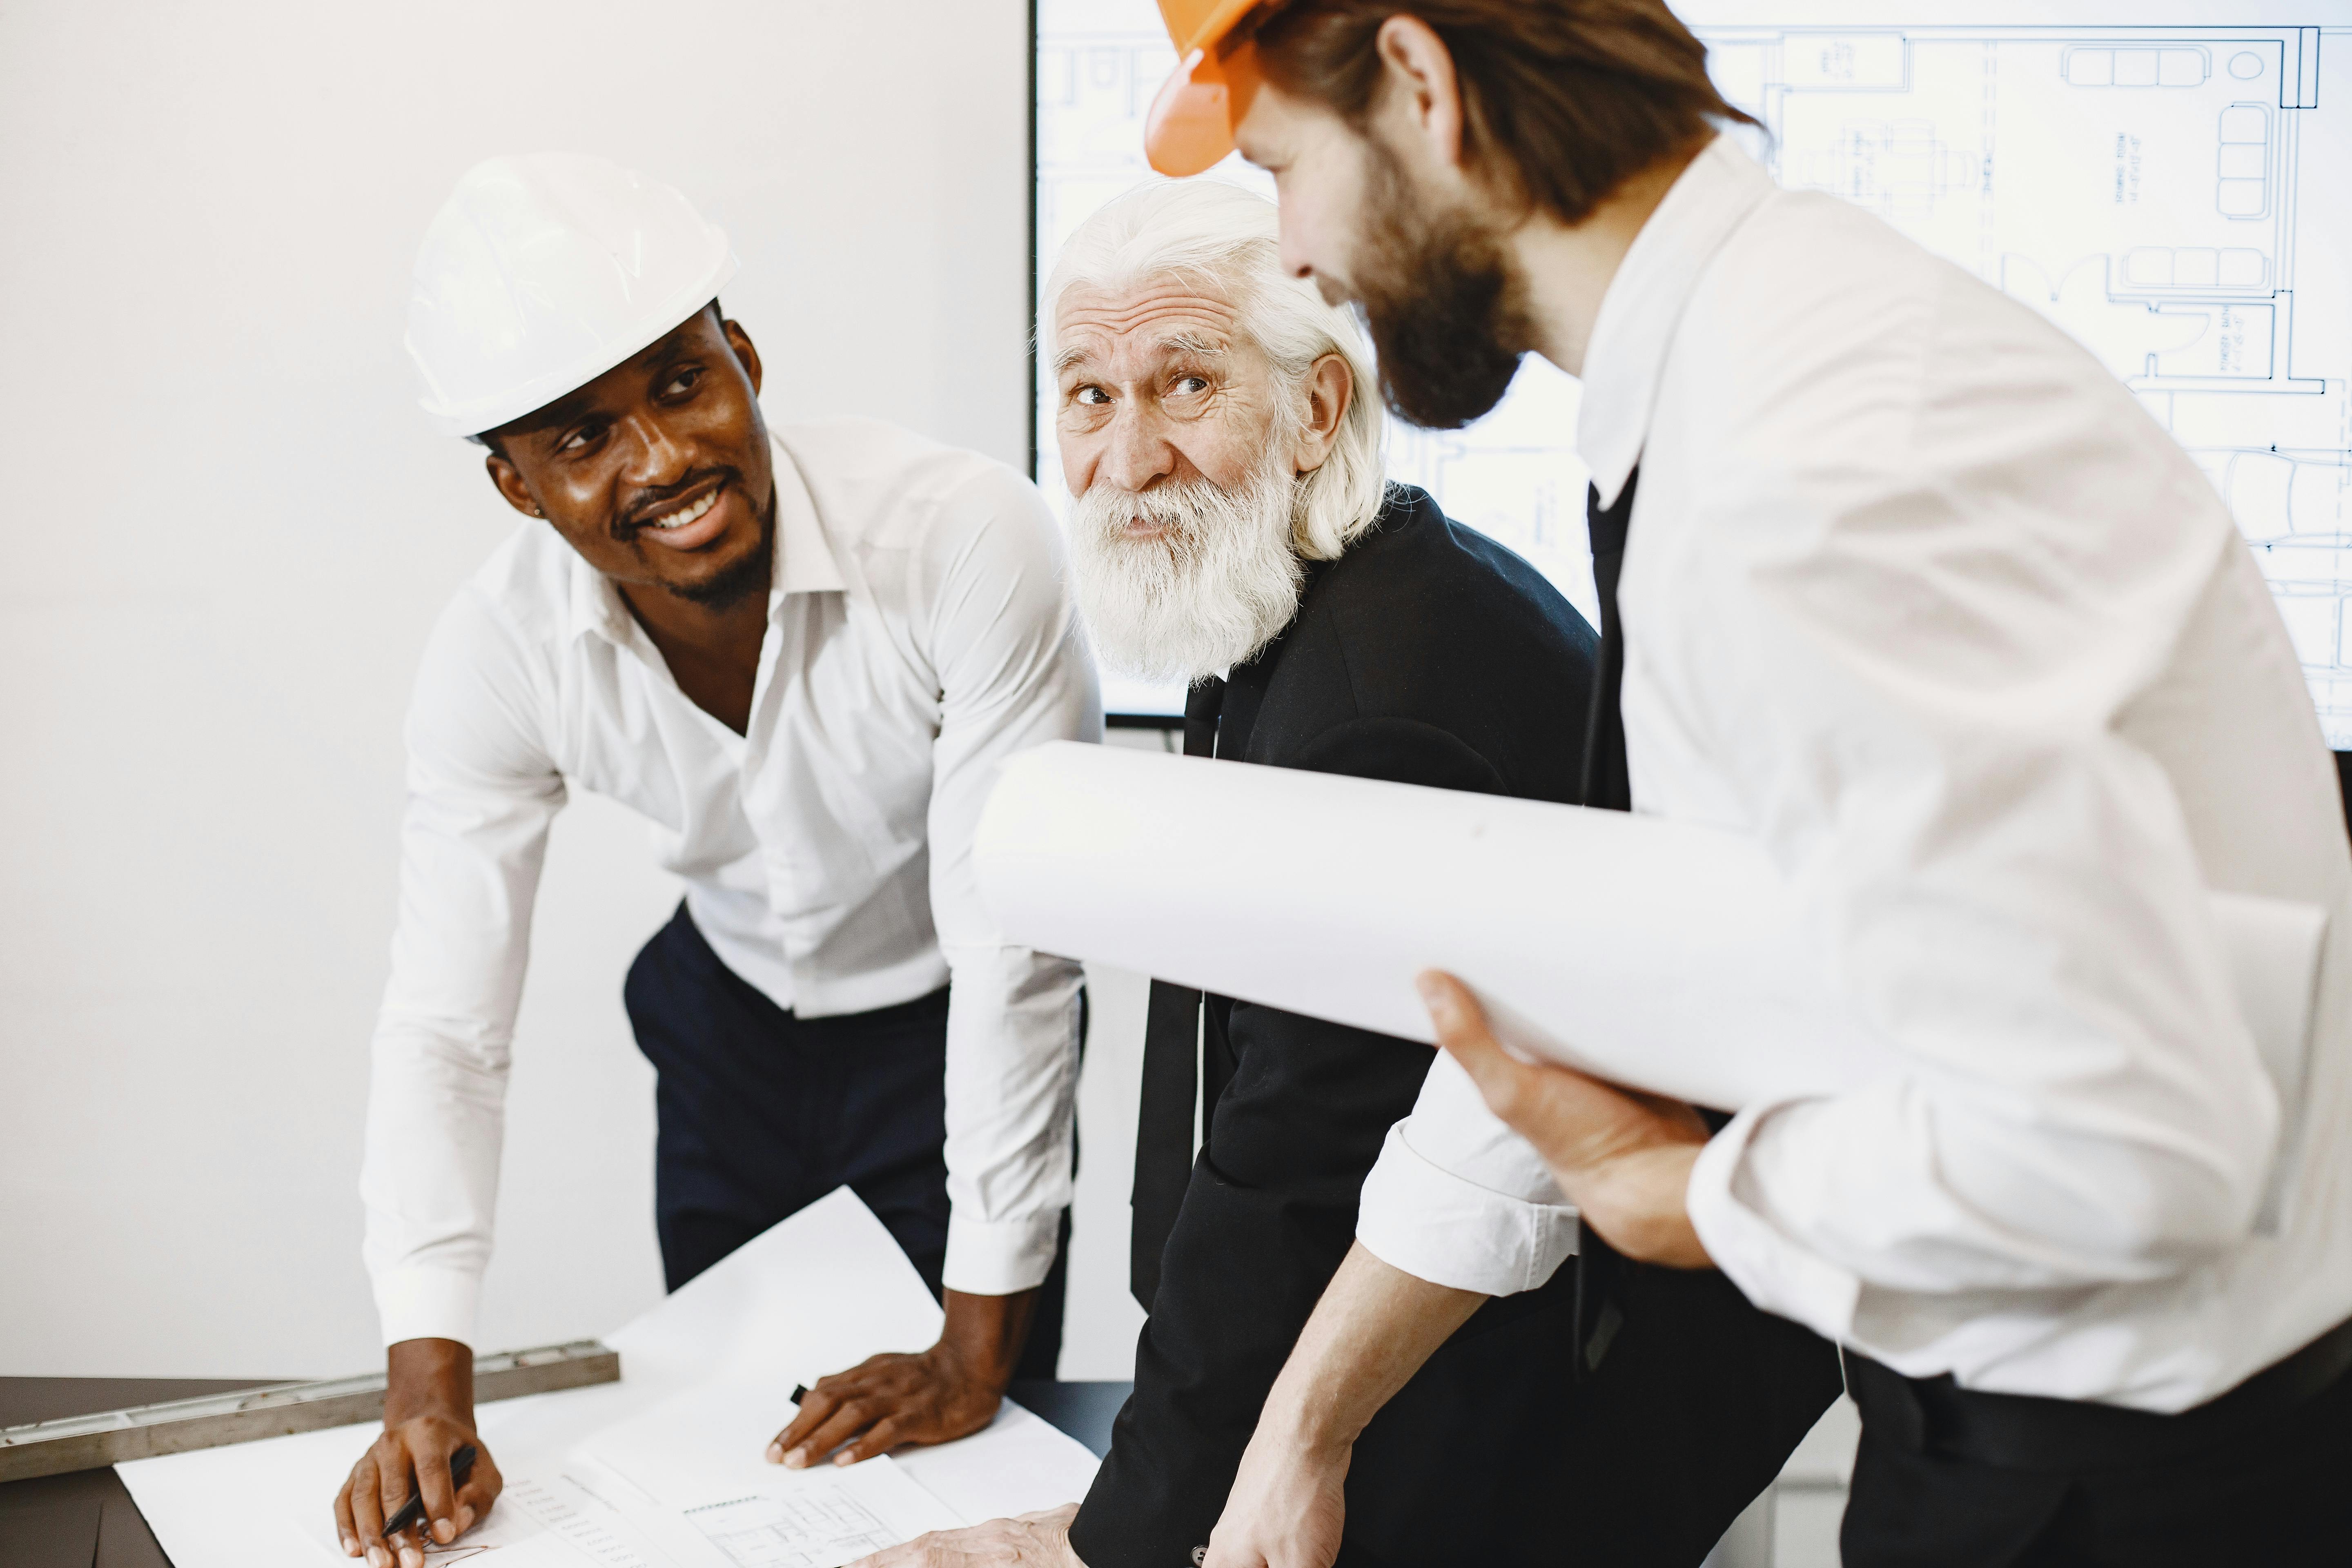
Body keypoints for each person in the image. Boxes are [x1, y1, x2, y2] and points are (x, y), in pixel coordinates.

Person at [1131, 4, 2352, 1566]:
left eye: (1284, 167)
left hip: (2118, 1483)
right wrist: (1305, 1430)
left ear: (1423, 84)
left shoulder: (1806, 456)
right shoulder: (1748, 359)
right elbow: (1621, 940)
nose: (1293, 255)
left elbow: (2131, 1142)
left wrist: (1705, 1200)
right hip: (2069, 1431)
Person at [855, 180, 1836, 1568]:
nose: (1126, 459)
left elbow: (1297, 1172)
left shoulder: (1382, 701)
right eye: (1086, 397)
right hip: (1446, 1340)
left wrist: (1116, 1538)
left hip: (1532, 1399)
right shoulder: (1294, 594)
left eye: (1185, 384)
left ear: (1318, 410)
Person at [332, 154, 1099, 1568]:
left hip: (947, 1019)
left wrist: (976, 1348)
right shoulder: (495, 657)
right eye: (582, 441)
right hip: (724, 1029)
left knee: (973, 1472)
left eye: (681, 386)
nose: (664, 460)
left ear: (740, 357)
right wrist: (425, 1382)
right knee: (758, 1471)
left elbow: (1015, 940)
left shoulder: (966, 537)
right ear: (518, 488)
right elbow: (446, 1026)